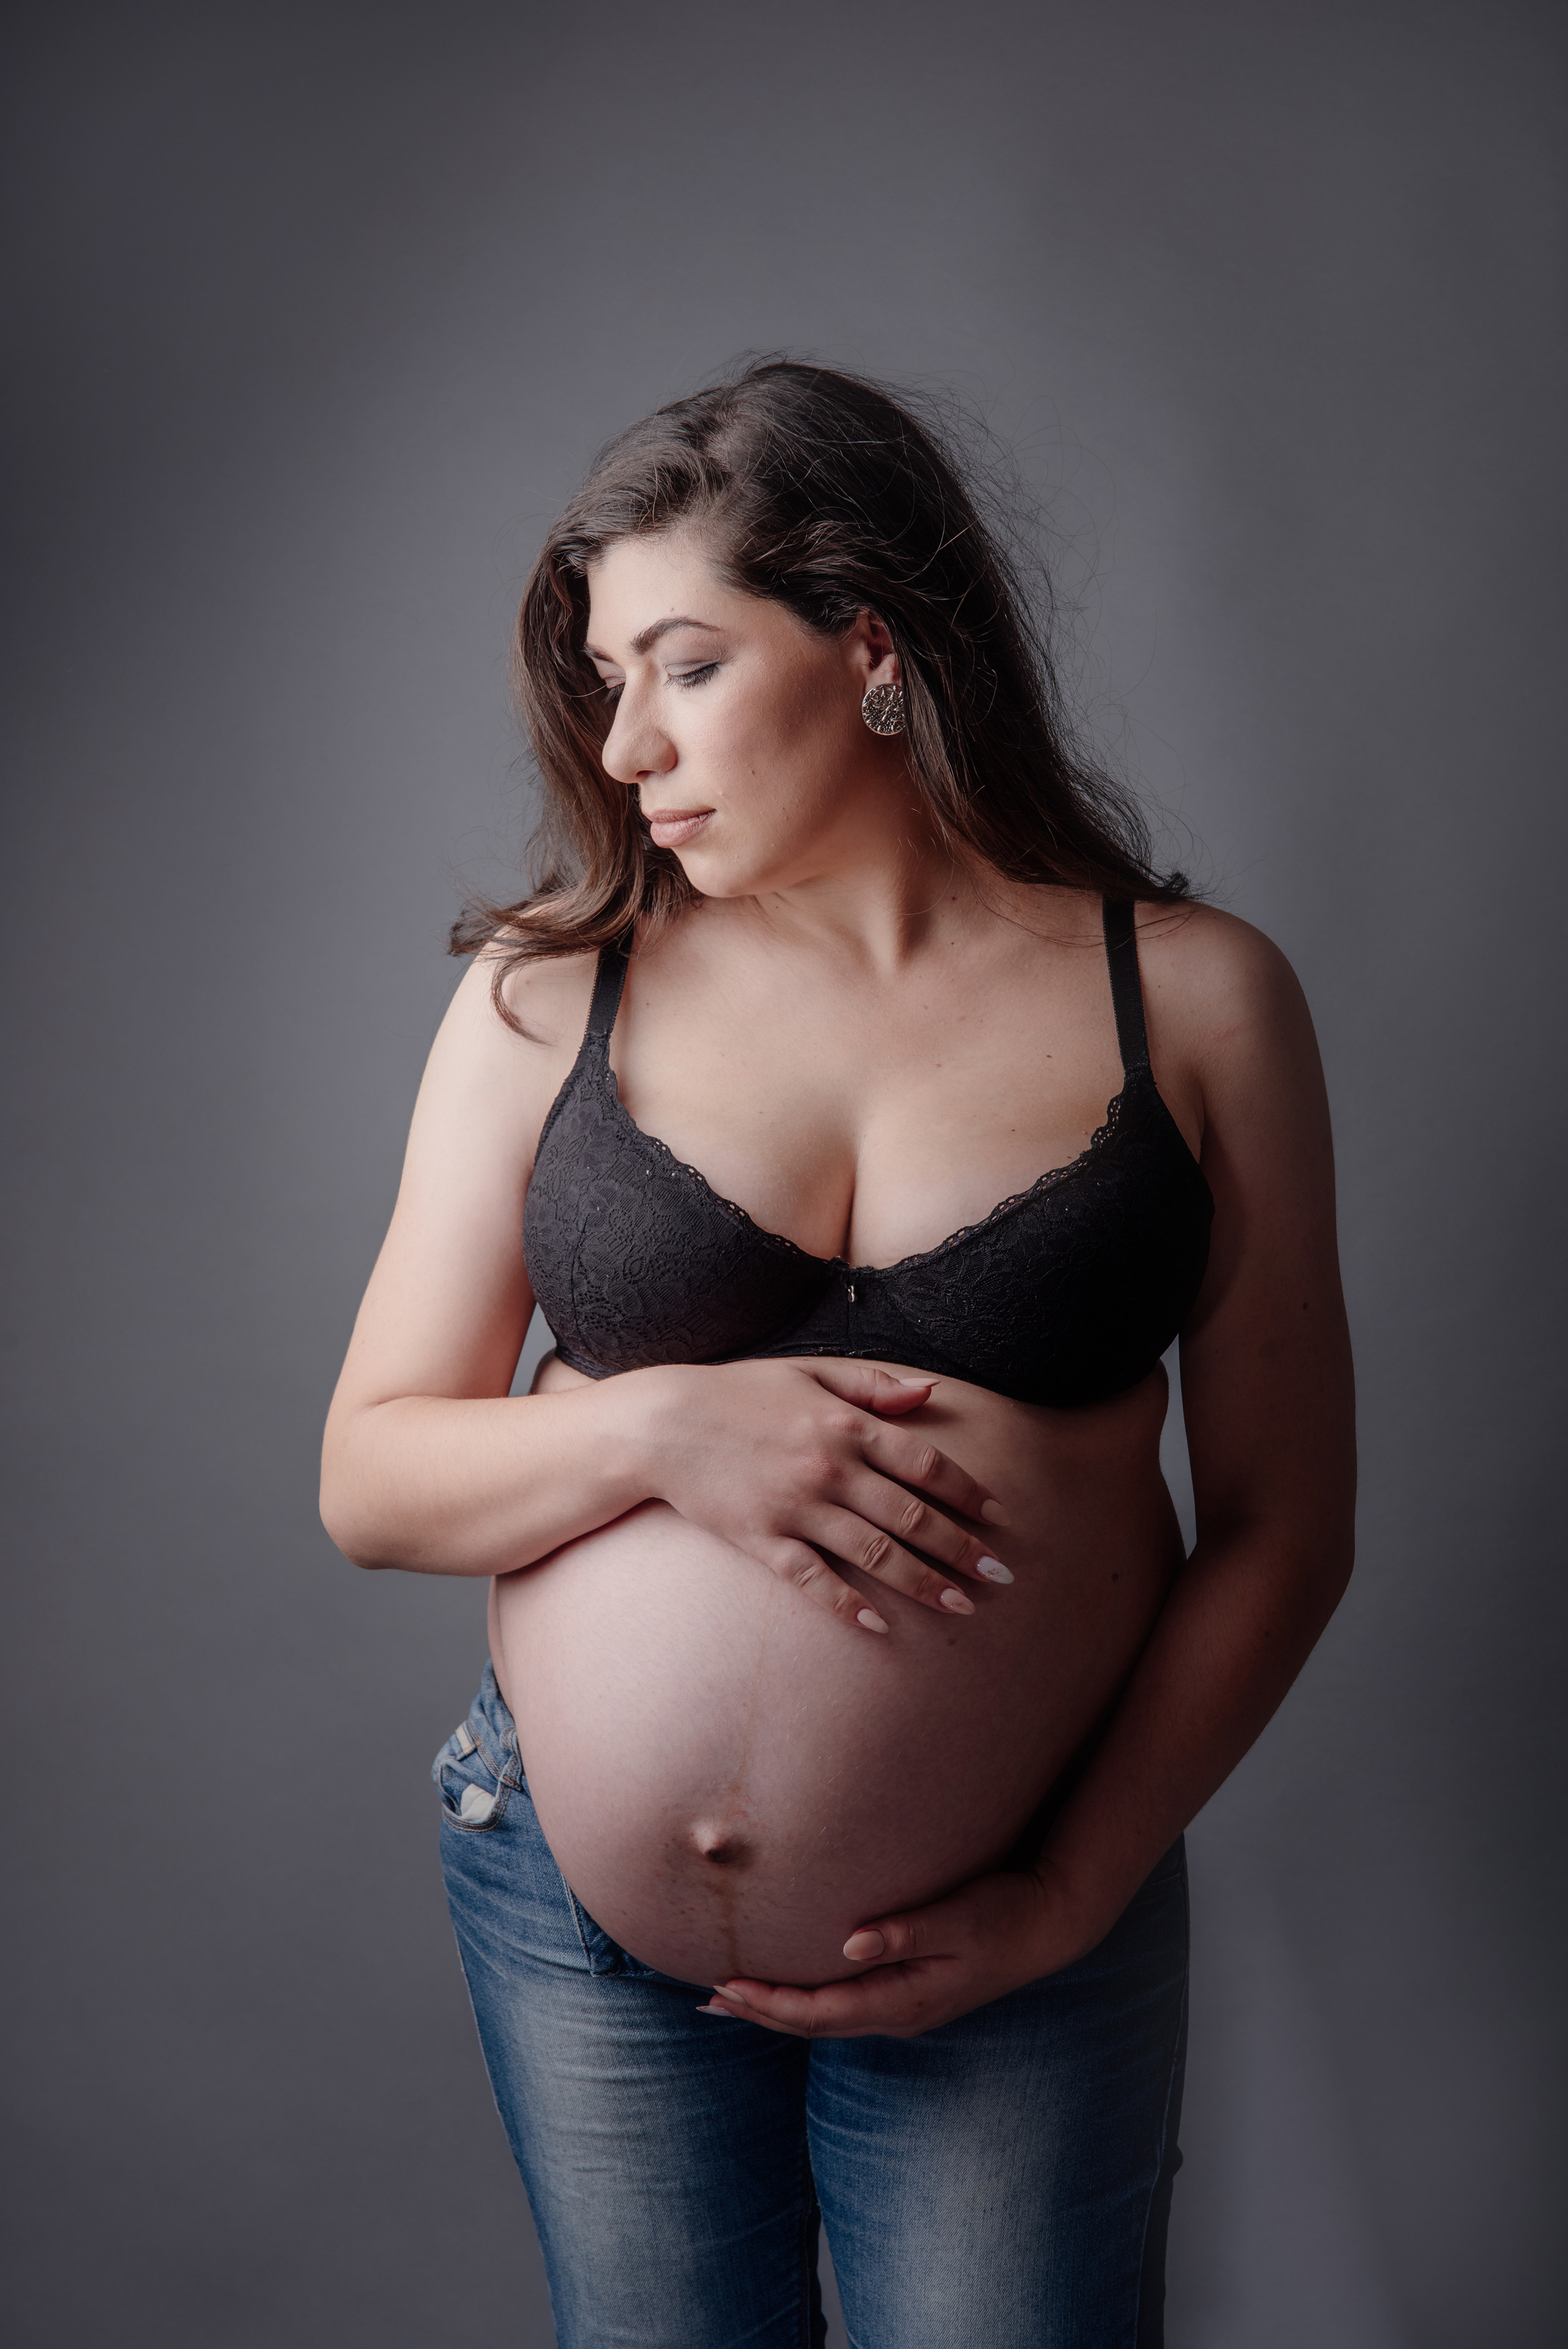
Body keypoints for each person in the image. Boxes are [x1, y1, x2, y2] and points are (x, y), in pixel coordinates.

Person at [320, 360, 1355, 2349]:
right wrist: (667, 1433)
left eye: (682, 665)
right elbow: (369, 1473)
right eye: (605, 677)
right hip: (577, 1926)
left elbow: (1287, 1528)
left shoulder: (1199, 1002)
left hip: (1017, 1919)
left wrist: (1063, 1892)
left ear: (869, 639)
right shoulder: (552, 994)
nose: (623, 742)